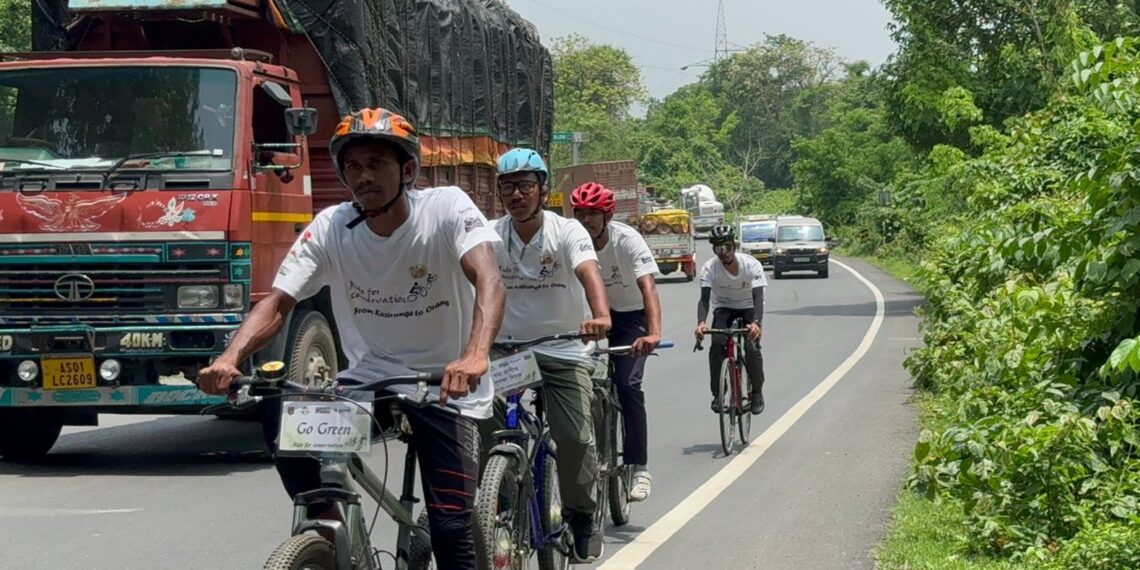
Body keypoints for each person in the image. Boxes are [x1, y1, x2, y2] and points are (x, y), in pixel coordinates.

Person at [196, 107, 506, 570]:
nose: (364, 177)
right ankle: (326, 528)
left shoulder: (446, 208)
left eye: (376, 164)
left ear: (406, 170)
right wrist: (230, 357)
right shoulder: (332, 227)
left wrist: (475, 355)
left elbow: (489, 280)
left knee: (450, 527)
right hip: (369, 378)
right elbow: (279, 301)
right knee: (285, 418)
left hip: (445, 382)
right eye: (354, 167)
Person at [490, 148, 612, 563]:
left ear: (543, 189)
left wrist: (599, 313)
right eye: (507, 186)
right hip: (507, 351)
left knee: (575, 437)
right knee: (482, 424)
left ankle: (581, 515)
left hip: (562, 347)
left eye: (525, 185)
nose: (516, 194)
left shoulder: (568, 232)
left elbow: (588, 271)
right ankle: (499, 495)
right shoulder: (491, 235)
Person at [570, 182, 662, 503]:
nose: (586, 220)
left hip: (632, 317)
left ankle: (639, 467)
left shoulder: (627, 240)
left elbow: (648, 286)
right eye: (580, 213)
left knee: (627, 384)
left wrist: (652, 333)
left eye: (593, 213)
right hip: (594, 315)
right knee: (575, 383)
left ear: (607, 215)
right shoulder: (571, 240)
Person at [694, 224, 767, 415]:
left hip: (749, 307)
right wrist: (701, 323)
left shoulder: (751, 265)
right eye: (718, 249)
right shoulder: (709, 268)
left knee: (751, 347)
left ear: (734, 246)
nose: (723, 253)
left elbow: (759, 297)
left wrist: (757, 323)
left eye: (726, 247)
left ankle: (757, 391)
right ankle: (718, 394)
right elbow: (704, 299)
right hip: (724, 308)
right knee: (717, 346)